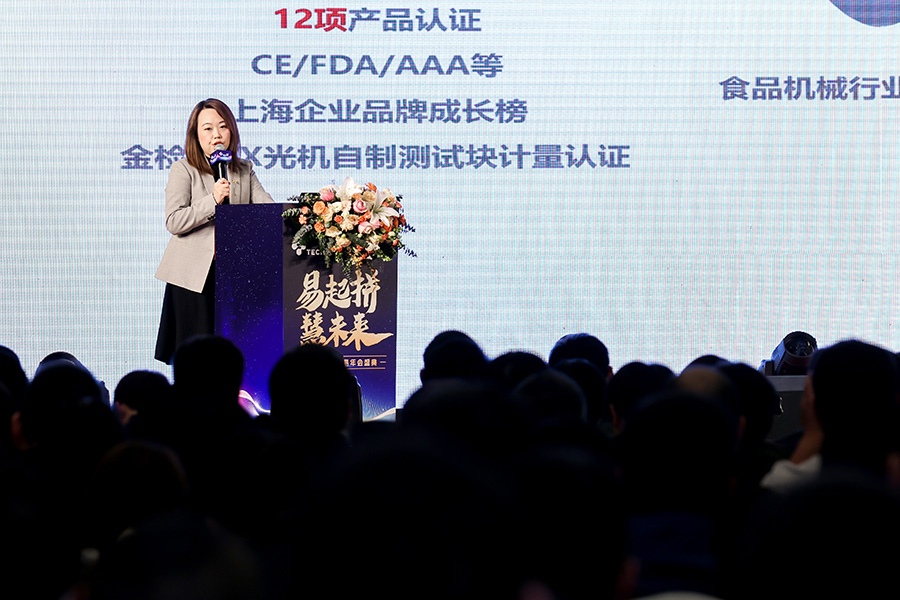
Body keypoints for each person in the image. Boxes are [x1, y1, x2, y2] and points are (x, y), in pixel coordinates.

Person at [154, 98, 274, 365]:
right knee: (197, 358)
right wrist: (213, 200)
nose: (216, 135)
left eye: (223, 126)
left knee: (234, 354)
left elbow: (268, 210)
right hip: (194, 278)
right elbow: (174, 221)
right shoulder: (183, 169)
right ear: (196, 136)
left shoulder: (243, 170)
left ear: (232, 130)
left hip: (234, 275)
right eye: (207, 128)